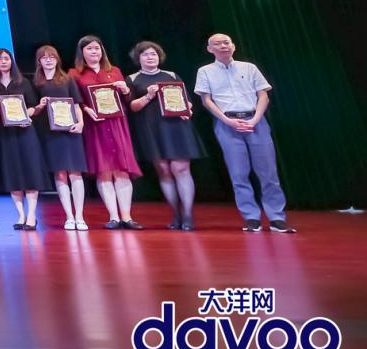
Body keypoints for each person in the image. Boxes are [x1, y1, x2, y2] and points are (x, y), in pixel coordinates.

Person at [194, 33, 294, 233]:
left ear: (234, 46)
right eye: (218, 44)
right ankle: (251, 217)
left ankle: (276, 218)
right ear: (210, 49)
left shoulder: (249, 68)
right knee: (239, 174)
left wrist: (255, 119)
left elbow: (263, 95)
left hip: (255, 121)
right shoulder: (205, 71)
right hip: (227, 123)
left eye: (227, 42)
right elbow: (206, 101)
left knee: (268, 173)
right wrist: (228, 121)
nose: (223, 46)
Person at [128, 41, 206, 231]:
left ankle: (188, 216)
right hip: (151, 129)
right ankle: (176, 214)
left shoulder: (171, 75)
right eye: (145, 54)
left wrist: (187, 109)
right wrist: (148, 96)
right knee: (163, 170)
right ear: (138, 58)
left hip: (177, 126)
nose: (150, 57)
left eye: (154, 54)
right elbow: (132, 107)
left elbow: (187, 101)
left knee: (181, 168)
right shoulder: (132, 79)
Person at [69, 35, 143, 230]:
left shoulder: (114, 71)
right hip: (95, 125)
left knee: (121, 168)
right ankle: (113, 216)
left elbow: (127, 99)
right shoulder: (74, 74)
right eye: (90, 48)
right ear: (82, 52)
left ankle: (127, 217)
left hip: (117, 124)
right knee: (104, 170)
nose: (94, 52)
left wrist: (125, 89)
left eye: (97, 48)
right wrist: (86, 109)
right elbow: (75, 100)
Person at [0, 48, 49, 231]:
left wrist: (26, 116)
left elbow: (33, 106)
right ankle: (21, 214)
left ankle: (31, 215)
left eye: (6, 58)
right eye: (0, 59)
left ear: (12, 61)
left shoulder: (23, 82)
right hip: (4, 133)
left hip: (25, 131)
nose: (3, 62)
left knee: (30, 170)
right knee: (11, 171)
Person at [32, 45, 90, 230]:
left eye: (52, 57)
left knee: (75, 172)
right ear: (39, 61)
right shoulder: (36, 82)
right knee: (60, 173)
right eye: (44, 57)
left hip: (70, 130)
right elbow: (33, 109)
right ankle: (69, 216)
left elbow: (76, 105)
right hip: (50, 133)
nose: (48, 60)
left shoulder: (67, 79)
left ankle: (80, 216)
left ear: (57, 59)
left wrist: (80, 123)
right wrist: (40, 106)